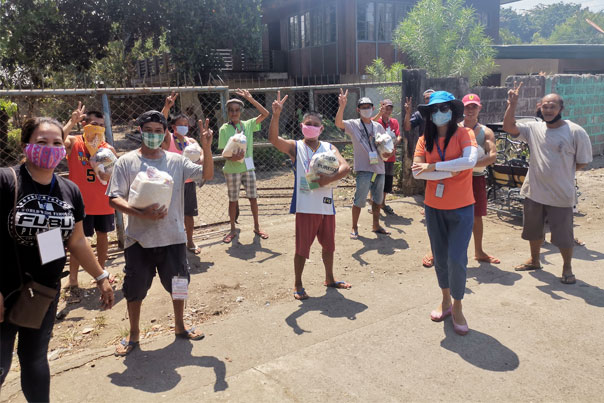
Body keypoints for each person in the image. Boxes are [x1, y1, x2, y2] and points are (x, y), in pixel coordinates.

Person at [0, 117, 114, 401]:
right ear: (26, 145)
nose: (50, 148)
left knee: (35, 360)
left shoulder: (68, 190)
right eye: (41, 142)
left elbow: (76, 241)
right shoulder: (6, 180)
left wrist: (101, 278)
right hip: (5, 291)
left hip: (42, 293)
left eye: (55, 143)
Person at [107, 111, 214, 356]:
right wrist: (140, 212)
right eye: (149, 130)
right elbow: (114, 198)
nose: (154, 135)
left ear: (166, 132)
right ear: (140, 131)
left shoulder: (176, 161)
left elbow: (206, 175)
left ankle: (180, 325)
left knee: (179, 284)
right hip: (138, 240)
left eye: (159, 130)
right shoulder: (126, 162)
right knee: (134, 289)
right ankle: (133, 334)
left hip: (173, 238)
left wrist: (206, 148)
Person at [503, 83, 592, 284]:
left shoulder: (575, 131)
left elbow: (583, 162)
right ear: (539, 107)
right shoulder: (534, 128)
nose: (549, 110)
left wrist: (560, 173)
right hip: (534, 191)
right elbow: (508, 127)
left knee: (563, 235)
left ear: (561, 109)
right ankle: (535, 260)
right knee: (533, 231)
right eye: (545, 106)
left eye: (553, 106)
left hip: (561, 195)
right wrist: (512, 104)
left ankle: (567, 267)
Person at [268, 91, 352, 300]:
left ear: (321, 129)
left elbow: (346, 167)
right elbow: (273, 140)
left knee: (329, 246)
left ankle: (329, 278)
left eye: (315, 124)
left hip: (326, 204)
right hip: (306, 206)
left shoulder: (329, 147)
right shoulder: (296, 147)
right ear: (302, 126)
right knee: (302, 248)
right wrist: (276, 115)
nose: (311, 127)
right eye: (308, 123)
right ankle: (298, 284)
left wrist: (326, 180)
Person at [412, 91, 478, 336]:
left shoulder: (464, 134)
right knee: (440, 258)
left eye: (445, 108)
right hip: (434, 207)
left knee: (456, 259)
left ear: (452, 110)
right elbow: (416, 172)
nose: (440, 113)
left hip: (462, 207)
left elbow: (469, 162)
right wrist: (450, 170)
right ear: (429, 114)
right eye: (435, 109)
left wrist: (434, 166)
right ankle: (446, 300)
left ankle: (458, 306)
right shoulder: (423, 139)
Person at [62, 103, 117, 288]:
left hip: (102, 203)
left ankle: (100, 273)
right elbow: (58, 140)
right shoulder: (74, 142)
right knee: (76, 242)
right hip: (80, 205)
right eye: (94, 123)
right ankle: (73, 280)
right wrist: (71, 121)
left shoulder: (107, 148)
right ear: (84, 124)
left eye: (101, 125)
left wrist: (107, 171)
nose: (98, 128)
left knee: (103, 236)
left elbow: (113, 174)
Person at [335, 90, 394, 239]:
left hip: (379, 168)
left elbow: (384, 146)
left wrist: (387, 153)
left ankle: (376, 225)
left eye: (368, 107)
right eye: (363, 107)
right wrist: (342, 106)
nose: (366, 109)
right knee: (360, 199)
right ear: (358, 110)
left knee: (377, 199)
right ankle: (354, 227)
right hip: (363, 169)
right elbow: (338, 123)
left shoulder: (377, 126)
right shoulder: (353, 125)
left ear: (373, 109)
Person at [218, 89, 270, 243]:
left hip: (248, 168)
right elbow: (223, 154)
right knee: (233, 200)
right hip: (232, 170)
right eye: (231, 110)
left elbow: (265, 113)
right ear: (228, 112)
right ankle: (233, 229)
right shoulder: (224, 129)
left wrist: (251, 99)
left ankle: (256, 226)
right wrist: (233, 157)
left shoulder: (248, 125)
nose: (234, 113)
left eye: (237, 110)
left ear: (241, 111)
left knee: (253, 198)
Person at [161, 92, 204, 254]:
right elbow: (161, 124)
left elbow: (202, 154)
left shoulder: (191, 142)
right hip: (170, 184)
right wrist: (166, 107)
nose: (184, 127)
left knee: (188, 215)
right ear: (173, 127)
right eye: (181, 124)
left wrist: (201, 159)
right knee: (170, 215)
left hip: (187, 183)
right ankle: (171, 244)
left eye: (186, 124)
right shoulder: (168, 139)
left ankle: (190, 241)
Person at [461, 93, 499, 264]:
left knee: (477, 216)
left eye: (473, 106)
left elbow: (492, 156)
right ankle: (438, 250)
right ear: (462, 108)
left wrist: (471, 164)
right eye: (467, 106)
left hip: (476, 177)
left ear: (479, 108)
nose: (470, 110)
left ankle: (479, 251)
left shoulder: (486, 132)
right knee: (450, 214)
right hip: (457, 178)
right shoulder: (455, 129)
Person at [404, 90, 436, 268]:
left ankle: (431, 205)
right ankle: (429, 204)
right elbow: (408, 127)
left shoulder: (443, 112)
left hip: (440, 153)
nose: (429, 101)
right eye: (426, 99)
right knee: (427, 179)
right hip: (425, 150)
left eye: (431, 98)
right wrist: (408, 112)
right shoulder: (420, 114)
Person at [371, 99, 402, 215]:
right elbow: (368, 124)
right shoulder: (376, 121)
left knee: (387, 180)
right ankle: (373, 203)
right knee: (374, 178)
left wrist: (395, 143)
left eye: (390, 108)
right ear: (381, 107)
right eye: (385, 107)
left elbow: (399, 135)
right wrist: (379, 113)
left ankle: (382, 203)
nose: (388, 110)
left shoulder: (394, 122)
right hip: (376, 156)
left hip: (390, 156)